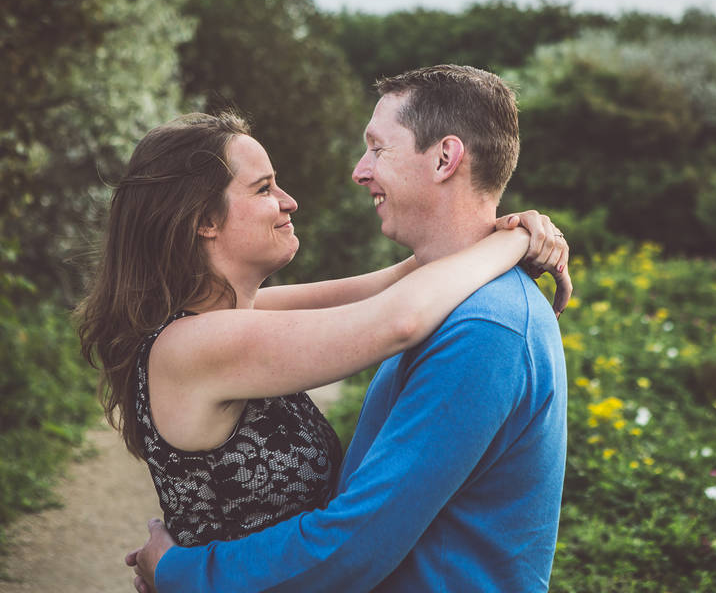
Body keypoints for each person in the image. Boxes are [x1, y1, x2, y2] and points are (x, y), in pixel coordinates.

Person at [125, 65, 570, 592]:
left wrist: (514, 232)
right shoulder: (208, 336)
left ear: (446, 158)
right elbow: (393, 314)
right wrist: (513, 239)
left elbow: (387, 293)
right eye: (265, 188)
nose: (359, 171)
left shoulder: (484, 326)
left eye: (378, 149)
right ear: (204, 220)